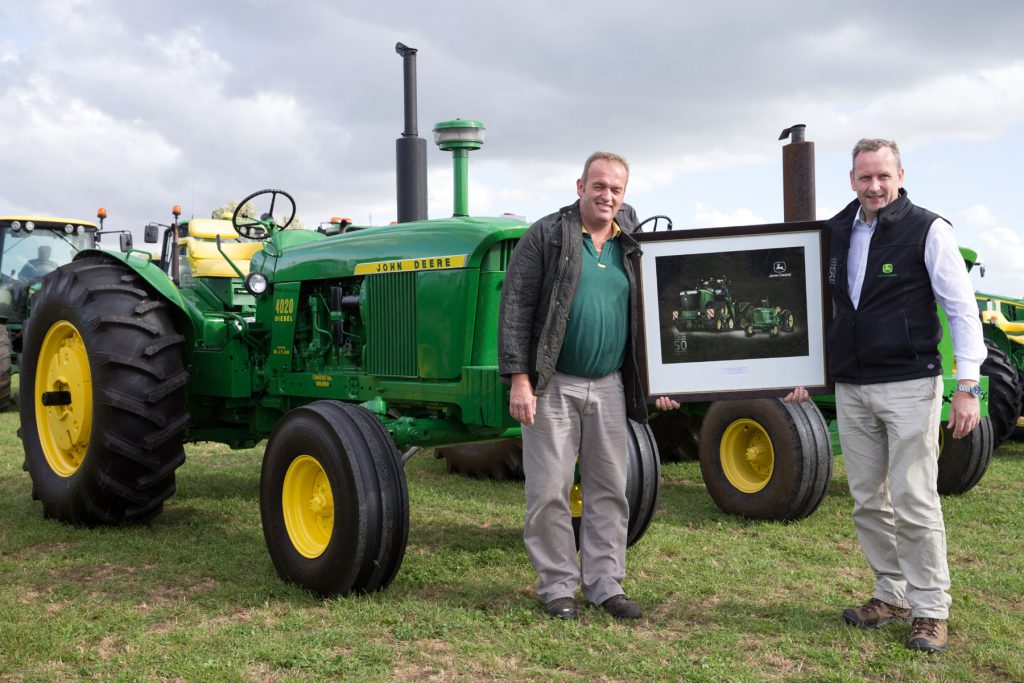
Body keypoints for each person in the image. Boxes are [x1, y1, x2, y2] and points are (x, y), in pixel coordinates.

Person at [786, 138, 985, 654]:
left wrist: (967, 385)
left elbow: (961, 309)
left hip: (911, 385)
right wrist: (805, 368)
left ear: (900, 176)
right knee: (868, 500)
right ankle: (891, 592)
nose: (873, 187)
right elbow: (817, 307)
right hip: (852, 388)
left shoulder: (929, 229)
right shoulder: (832, 232)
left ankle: (930, 608)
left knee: (915, 499)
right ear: (851, 179)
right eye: (863, 177)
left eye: (882, 176)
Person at [498, 151, 677, 621]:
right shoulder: (549, 235)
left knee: (610, 488)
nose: (607, 196)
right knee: (549, 490)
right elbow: (515, 304)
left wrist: (665, 376)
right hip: (553, 384)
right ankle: (557, 586)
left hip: (611, 385)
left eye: (616, 189)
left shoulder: (632, 243)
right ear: (580, 186)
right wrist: (520, 378)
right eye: (599, 186)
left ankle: (604, 584)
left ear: (624, 195)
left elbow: (657, 309)